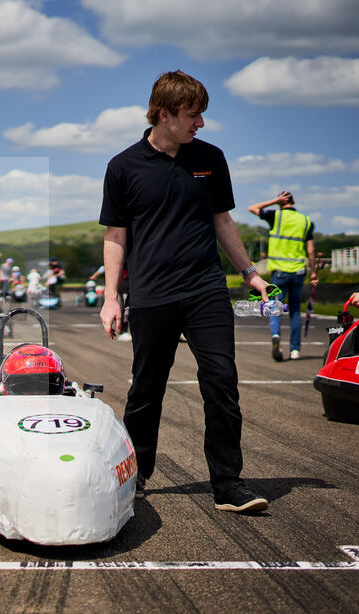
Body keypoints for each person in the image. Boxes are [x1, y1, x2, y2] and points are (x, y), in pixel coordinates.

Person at [98, 70, 272, 514]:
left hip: (205, 289)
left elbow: (223, 222)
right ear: (164, 114)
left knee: (221, 380)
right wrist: (111, 297)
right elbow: (115, 236)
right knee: (147, 389)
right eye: (193, 115)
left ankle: (229, 484)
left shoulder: (210, 158)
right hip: (153, 293)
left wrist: (250, 273)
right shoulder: (123, 166)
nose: (200, 123)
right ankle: (135, 475)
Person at [247, 191, 317, 361]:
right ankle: (295, 350)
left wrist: (274, 201)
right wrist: (314, 271)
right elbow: (311, 250)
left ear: (281, 202)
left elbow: (252, 208)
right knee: (294, 311)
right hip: (299, 271)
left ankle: (276, 335)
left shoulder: (276, 216)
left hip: (279, 271)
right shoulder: (305, 221)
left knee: (274, 306)